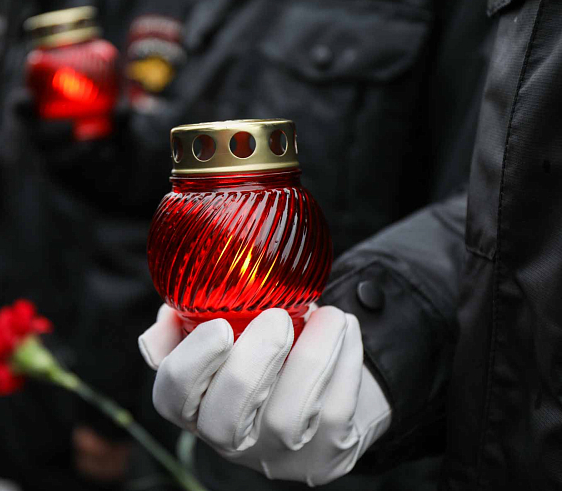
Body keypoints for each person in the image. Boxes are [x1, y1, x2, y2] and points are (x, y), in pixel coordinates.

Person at [139, 0, 562, 489]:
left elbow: (504, 189)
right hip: (221, 422)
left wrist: (383, 352)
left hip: (364, 422)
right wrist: (98, 149)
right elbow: (167, 138)